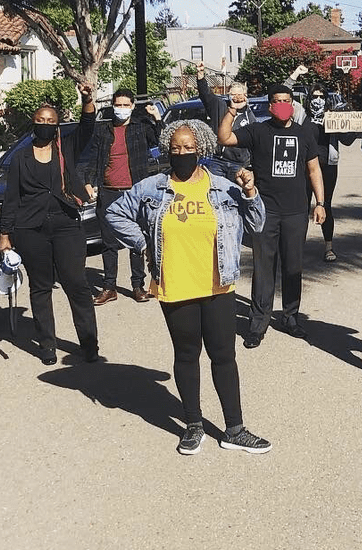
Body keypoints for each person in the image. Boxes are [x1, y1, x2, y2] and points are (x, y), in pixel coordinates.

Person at [104, 120, 273, 456]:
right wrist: (143, 245)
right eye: (175, 147)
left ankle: (235, 429)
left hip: (217, 284)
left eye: (188, 147)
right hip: (176, 285)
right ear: (168, 149)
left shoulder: (223, 186)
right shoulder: (153, 187)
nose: (181, 153)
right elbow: (114, 212)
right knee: (186, 355)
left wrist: (251, 193)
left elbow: (257, 223)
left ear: (202, 149)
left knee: (224, 356)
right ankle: (193, 424)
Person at [217, 82, 326, 348]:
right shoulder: (258, 130)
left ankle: (290, 317)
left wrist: (320, 203)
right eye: (277, 100)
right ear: (269, 105)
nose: (282, 105)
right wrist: (232, 110)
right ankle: (257, 323)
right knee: (264, 269)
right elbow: (224, 138)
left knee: (293, 267)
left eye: (286, 100)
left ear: (293, 103)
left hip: (296, 211)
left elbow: (314, 170)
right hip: (265, 212)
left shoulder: (305, 133)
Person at [0, 105, 99, 366]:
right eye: (40, 119)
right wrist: (5, 234)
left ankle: (89, 344)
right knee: (40, 287)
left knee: (76, 283)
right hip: (31, 229)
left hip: (66, 225)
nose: (45, 123)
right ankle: (47, 345)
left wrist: (87, 100)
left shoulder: (65, 149)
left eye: (50, 120)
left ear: (57, 124)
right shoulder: (20, 158)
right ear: (34, 122)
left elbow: (87, 126)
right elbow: (12, 198)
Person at [78, 84, 160, 304]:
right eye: (117, 105)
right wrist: (88, 182)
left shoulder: (140, 128)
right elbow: (94, 159)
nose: (121, 108)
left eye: (125, 105)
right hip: (109, 192)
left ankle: (137, 286)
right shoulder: (104, 130)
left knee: (136, 241)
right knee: (108, 242)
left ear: (132, 107)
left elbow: (160, 141)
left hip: (135, 192)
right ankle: (109, 287)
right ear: (113, 106)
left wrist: (157, 118)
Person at [296, 81, 357, 262]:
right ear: (309, 98)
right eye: (315, 96)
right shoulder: (301, 116)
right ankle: (297, 246)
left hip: (328, 166)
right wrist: (295, 76)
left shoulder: (332, 117)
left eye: (322, 97)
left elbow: (348, 140)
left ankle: (328, 247)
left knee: (325, 205)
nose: (318, 100)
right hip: (304, 167)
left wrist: (353, 123)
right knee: (302, 206)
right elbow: (283, 98)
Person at [195, 59, 255, 182]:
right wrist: (201, 75)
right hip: (216, 160)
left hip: (238, 163)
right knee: (215, 192)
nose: (236, 97)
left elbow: (254, 143)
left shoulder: (250, 117)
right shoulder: (220, 105)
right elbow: (206, 95)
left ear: (245, 95)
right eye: (233, 94)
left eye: (239, 94)